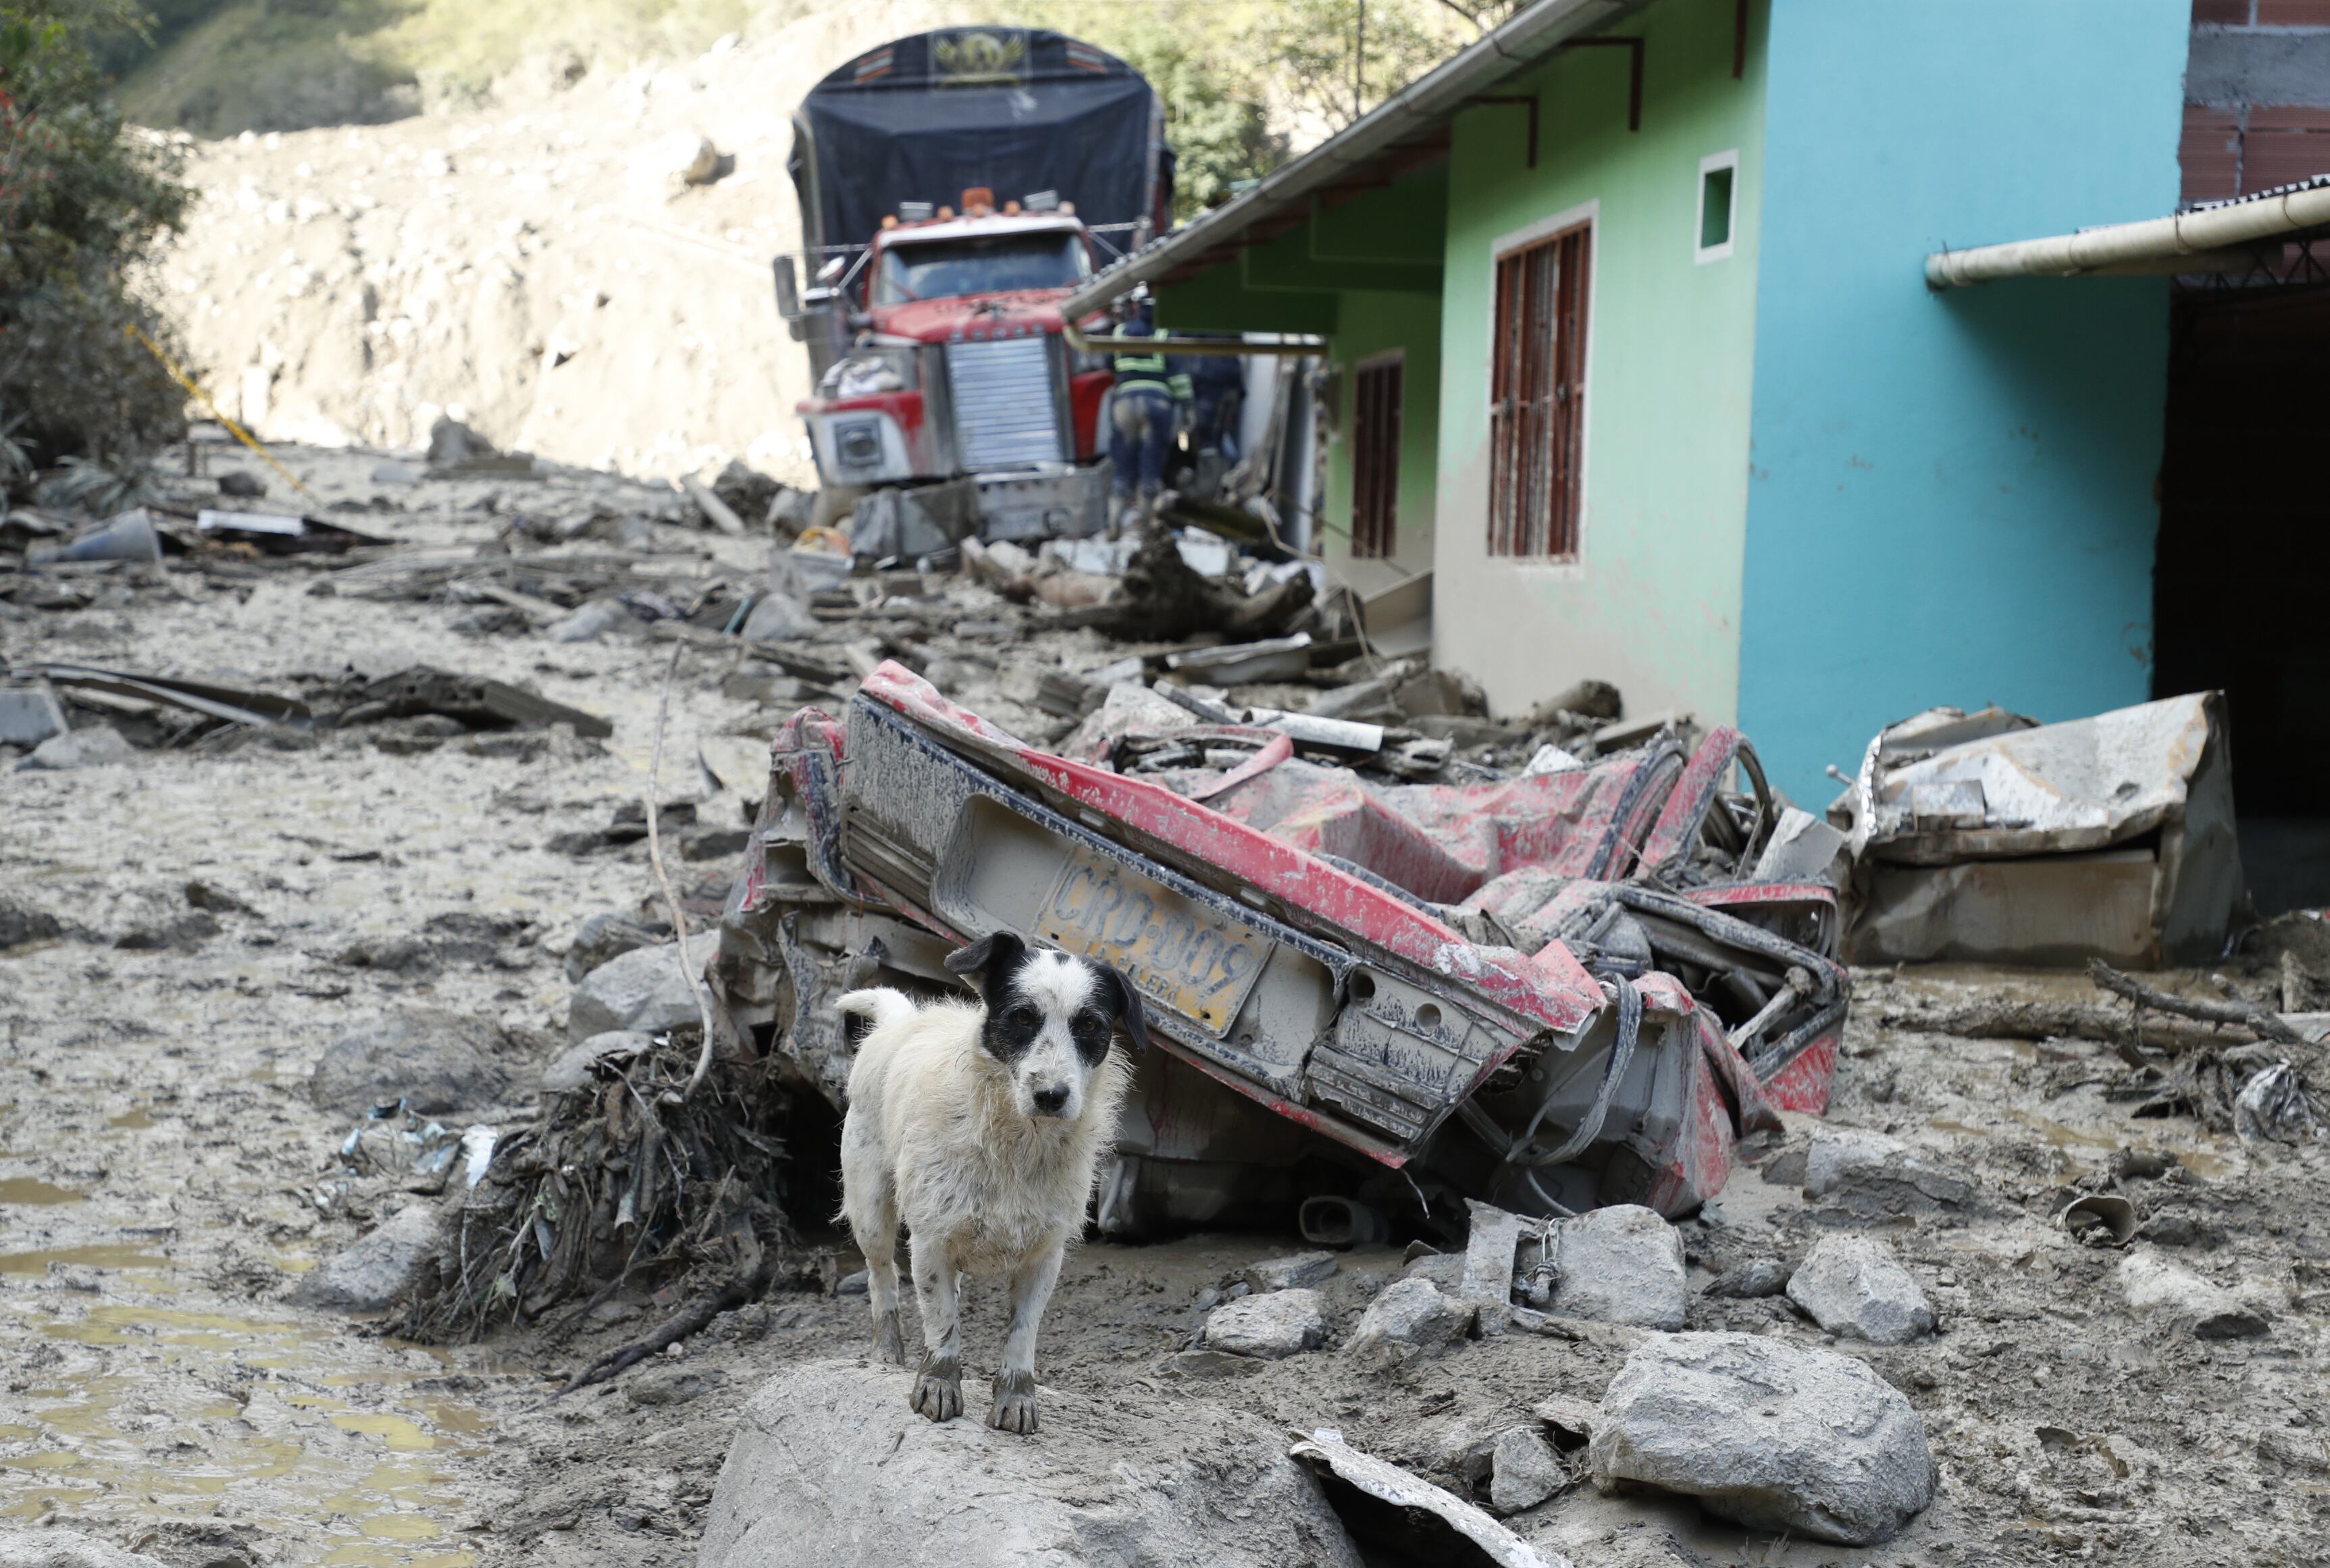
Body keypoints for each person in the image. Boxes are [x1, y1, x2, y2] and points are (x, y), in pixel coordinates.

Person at [1107, 296, 1191, 537]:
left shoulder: (1120, 332)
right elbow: (1178, 378)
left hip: (1125, 405)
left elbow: (1107, 363)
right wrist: (1188, 407)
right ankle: (1145, 527)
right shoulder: (1165, 334)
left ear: (1135, 308)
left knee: (1123, 465)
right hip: (1157, 404)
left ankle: (1114, 524)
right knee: (1151, 466)